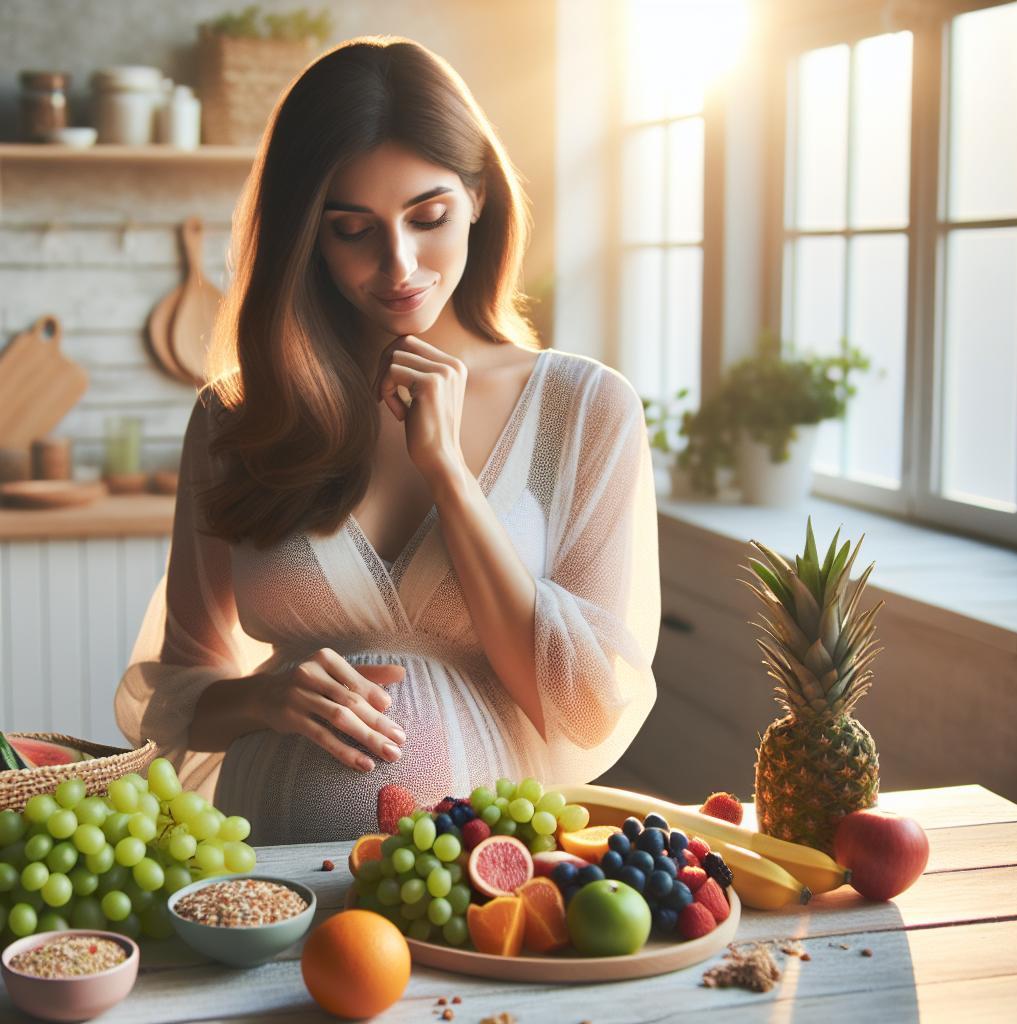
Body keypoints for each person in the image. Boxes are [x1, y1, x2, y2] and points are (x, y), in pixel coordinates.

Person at [115, 35, 661, 843]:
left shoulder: (584, 410)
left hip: (489, 883)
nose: (398, 264)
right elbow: (177, 692)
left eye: (429, 216)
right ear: (308, 236)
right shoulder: (236, 419)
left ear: (478, 195)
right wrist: (264, 698)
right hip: (267, 875)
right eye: (351, 229)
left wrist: (448, 473)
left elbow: (578, 703)